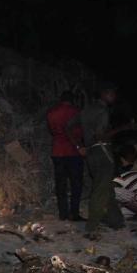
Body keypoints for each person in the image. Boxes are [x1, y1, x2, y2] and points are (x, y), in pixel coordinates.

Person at [80, 83, 125, 238]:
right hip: (102, 151)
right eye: (113, 94)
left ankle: (116, 220)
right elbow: (101, 135)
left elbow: (69, 126)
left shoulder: (87, 110)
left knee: (106, 187)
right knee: (101, 190)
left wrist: (79, 145)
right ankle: (91, 226)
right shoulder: (103, 111)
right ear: (105, 94)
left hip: (91, 152)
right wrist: (124, 128)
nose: (115, 97)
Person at [46, 91, 85, 221]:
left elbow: (52, 131)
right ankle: (74, 213)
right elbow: (80, 132)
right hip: (73, 151)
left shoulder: (51, 112)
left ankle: (63, 213)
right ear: (72, 100)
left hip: (57, 151)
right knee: (76, 184)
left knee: (61, 185)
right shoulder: (77, 112)